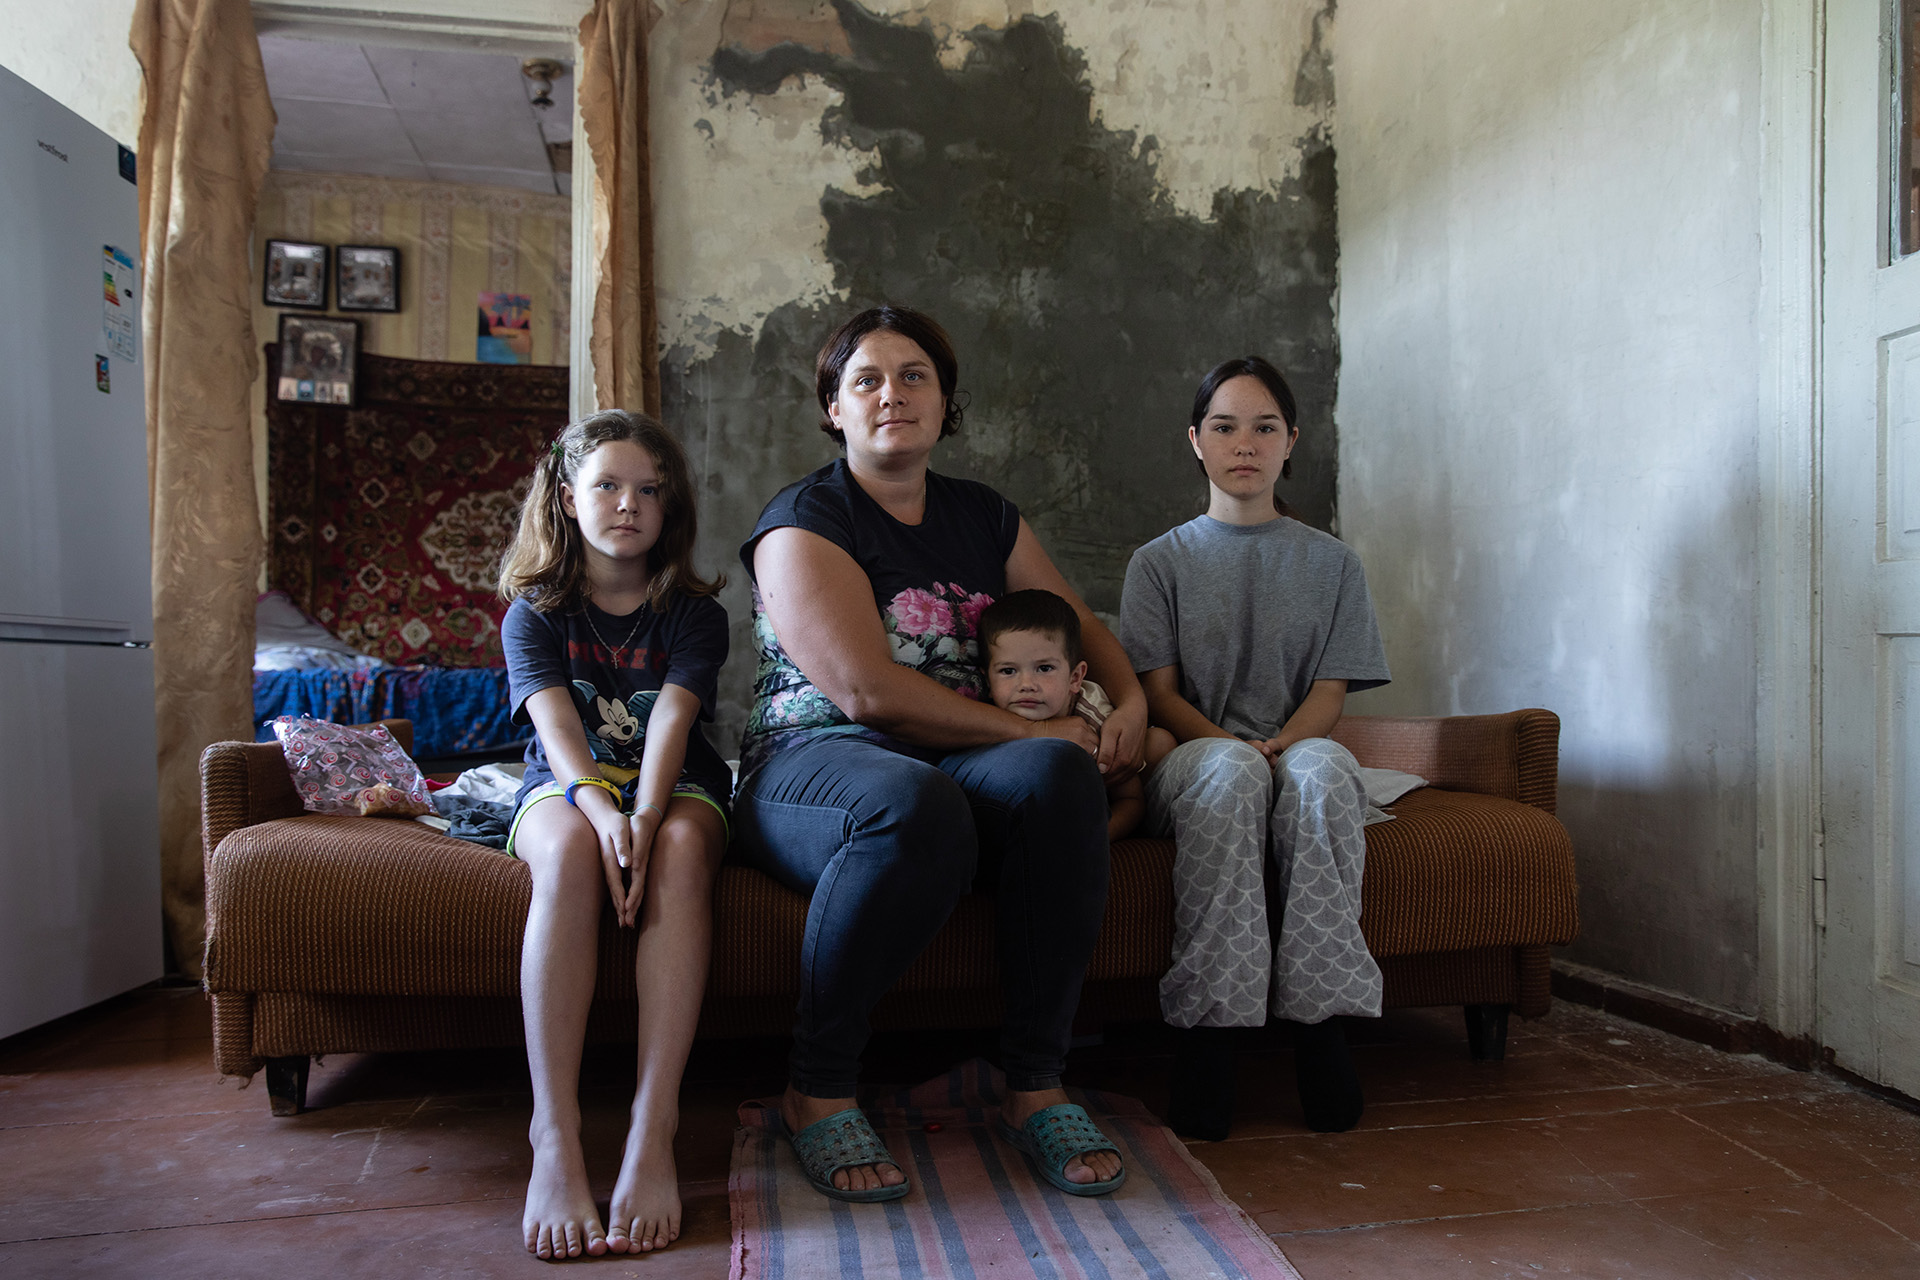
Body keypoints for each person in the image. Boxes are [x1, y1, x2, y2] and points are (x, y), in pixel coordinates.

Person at [734, 305, 1146, 1201]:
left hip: (955, 754)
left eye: (915, 375)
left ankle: (1034, 1084)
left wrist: (1134, 704)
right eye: (867, 379)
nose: (894, 394)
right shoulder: (803, 517)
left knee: (1054, 776)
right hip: (813, 764)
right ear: (834, 408)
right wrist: (1038, 728)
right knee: (912, 801)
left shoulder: (985, 516)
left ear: (946, 400)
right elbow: (866, 693)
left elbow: (1070, 623)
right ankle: (819, 1089)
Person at [1118, 356, 1391, 1141]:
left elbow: (1330, 695)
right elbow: (1161, 695)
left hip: (1293, 744)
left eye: (1265, 427)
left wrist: (1282, 747)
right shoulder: (1158, 563)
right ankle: (1210, 1035)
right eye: (1225, 426)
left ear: (1290, 441)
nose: (1245, 443)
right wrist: (1243, 749)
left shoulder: (1334, 563)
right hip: (1195, 761)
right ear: (1196, 442)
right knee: (1234, 770)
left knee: (1326, 771)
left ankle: (1321, 1023)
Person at [495, 410, 732, 1260]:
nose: (627, 504)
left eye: (648, 490)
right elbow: (559, 736)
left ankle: (651, 1126)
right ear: (567, 497)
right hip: (571, 784)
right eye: (606, 485)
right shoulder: (534, 613)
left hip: (676, 783)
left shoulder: (694, 616)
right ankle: (552, 1136)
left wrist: (644, 814)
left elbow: (673, 723)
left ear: (669, 510)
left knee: (675, 852)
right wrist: (600, 812)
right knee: (563, 852)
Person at [976, 588, 1175, 840]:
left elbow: (1130, 799)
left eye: (1044, 668)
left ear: (1075, 678)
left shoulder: (1093, 719)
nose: (1026, 684)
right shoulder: (985, 721)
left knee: (1160, 743)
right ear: (987, 681)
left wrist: (1095, 840)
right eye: (1008, 671)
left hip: (1101, 794)